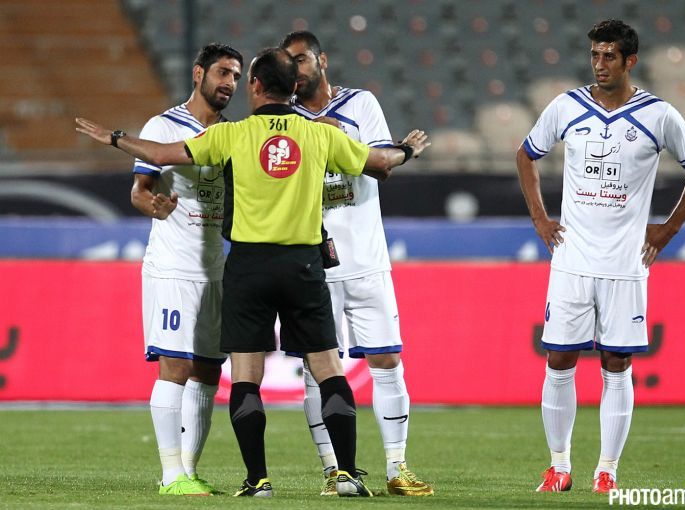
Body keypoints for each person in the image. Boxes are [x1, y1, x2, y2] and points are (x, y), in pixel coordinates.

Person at [75, 47, 430, 498]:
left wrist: (114, 138)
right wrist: (406, 149)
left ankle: (257, 479)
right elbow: (379, 163)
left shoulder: (233, 135)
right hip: (303, 266)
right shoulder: (321, 134)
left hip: (247, 267)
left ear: (255, 86)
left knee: (245, 375)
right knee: (328, 368)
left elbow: (161, 153)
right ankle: (346, 474)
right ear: (294, 88)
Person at [516, 20, 685, 494]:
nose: (599, 64)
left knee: (617, 363)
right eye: (595, 55)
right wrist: (541, 219)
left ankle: (607, 471)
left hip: (626, 264)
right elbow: (526, 155)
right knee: (558, 358)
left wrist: (667, 229)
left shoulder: (658, 115)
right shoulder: (567, 106)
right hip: (572, 259)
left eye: (609, 56)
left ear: (630, 61)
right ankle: (558, 466)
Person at [280, 31, 435, 497]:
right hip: (311, 264)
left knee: (387, 360)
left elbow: (381, 164)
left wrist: (363, 148)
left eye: (302, 59)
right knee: (317, 370)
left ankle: (397, 467)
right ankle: (333, 470)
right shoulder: (282, 118)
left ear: (322, 60)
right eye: (288, 63)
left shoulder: (360, 103)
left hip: (366, 258)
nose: (296, 69)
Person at [130, 43, 242, 496]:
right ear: (198, 73)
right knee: (175, 366)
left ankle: (189, 470)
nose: (229, 83)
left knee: (209, 372)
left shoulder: (234, 133)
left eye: (236, 76)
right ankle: (170, 473)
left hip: (215, 269)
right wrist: (153, 206)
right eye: (222, 73)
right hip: (173, 267)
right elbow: (139, 190)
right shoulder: (162, 126)